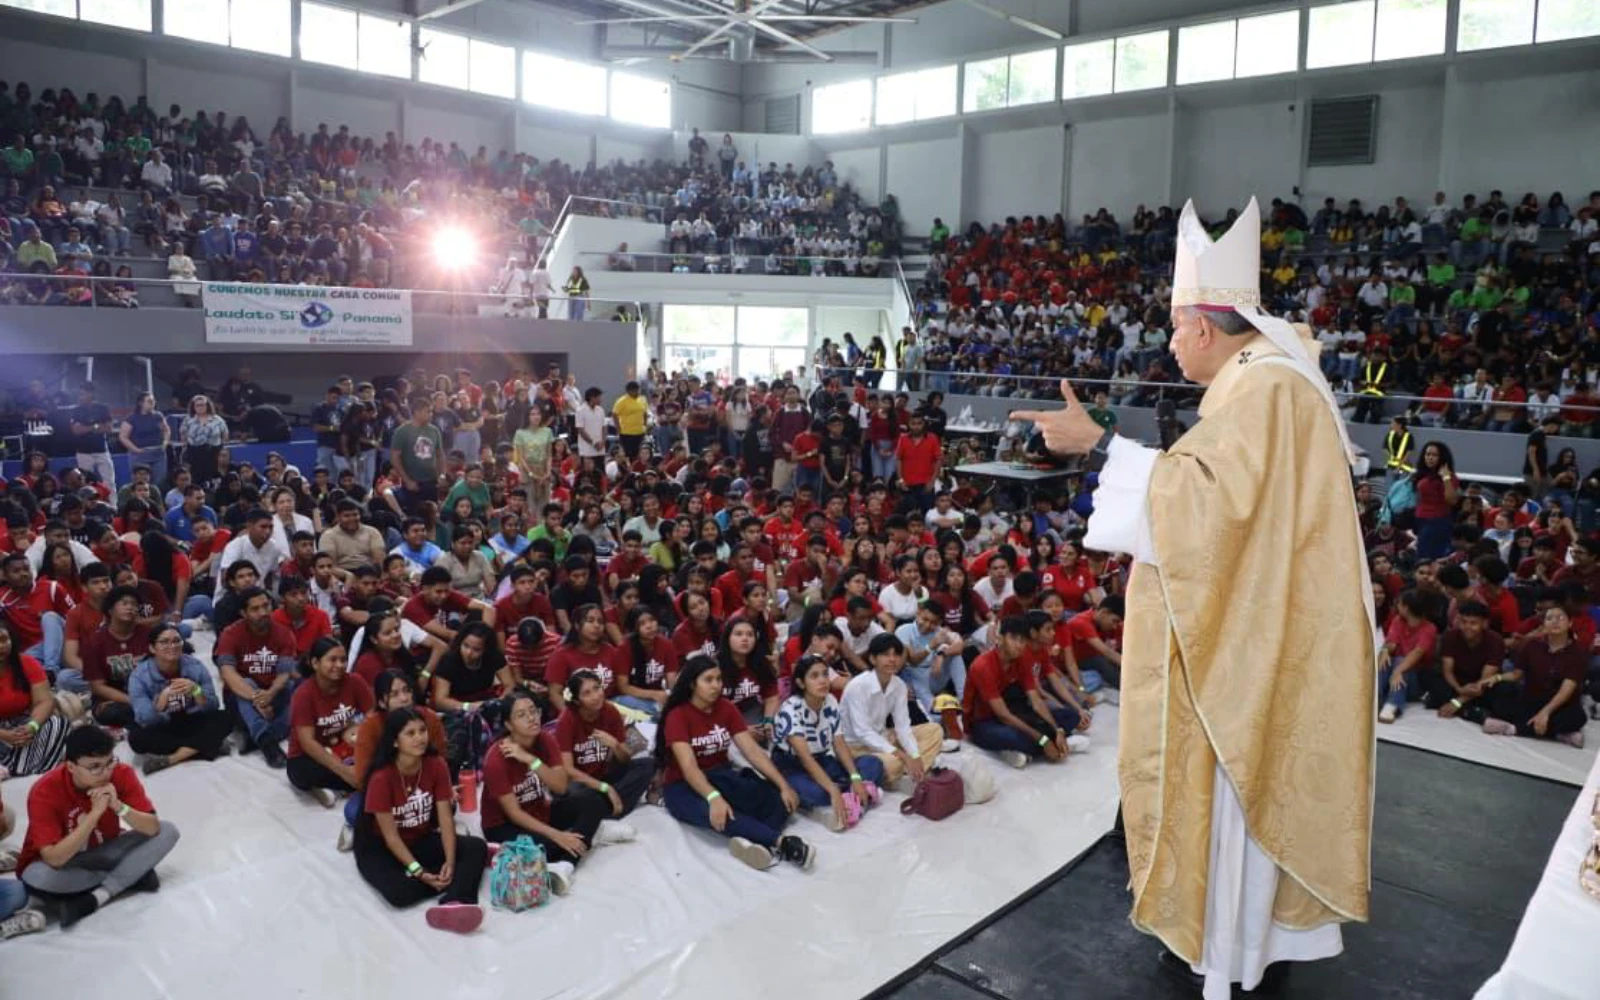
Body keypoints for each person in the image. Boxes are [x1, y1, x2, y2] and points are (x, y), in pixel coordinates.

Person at [1013, 196, 1374, 995]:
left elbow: (1207, 509)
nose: (1172, 345)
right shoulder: (1263, 385)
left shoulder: (1268, 392)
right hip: (1261, 621)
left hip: (1251, 646)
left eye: (1175, 329)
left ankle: (1231, 949)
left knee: (1237, 787)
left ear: (1203, 327)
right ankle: (1237, 939)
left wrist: (1100, 442)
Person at [656, 655, 816, 871]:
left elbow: (752, 751)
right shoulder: (678, 715)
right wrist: (714, 798)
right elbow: (689, 767)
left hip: (721, 775)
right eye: (708, 680)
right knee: (723, 813)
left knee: (780, 801)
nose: (716, 686)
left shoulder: (726, 708)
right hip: (683, 785)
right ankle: (782, 844)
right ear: (693, 684)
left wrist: (783, 785)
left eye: (719, 679)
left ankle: (750, 841)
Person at [15, 725, 179, 928]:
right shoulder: (45, 791)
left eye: (109, 762)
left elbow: (153, 828)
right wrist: (94, 814)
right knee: (37, 877)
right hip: (66, 865)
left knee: (168, 830)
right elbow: (54, 859)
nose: (104, 773)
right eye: (94, 767)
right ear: (71, 766)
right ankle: (131, 875)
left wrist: (119, 807)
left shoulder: (121, 773)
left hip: (105, 852)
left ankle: (99, 895)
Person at [355, 707, 487, 931]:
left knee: (476, 847)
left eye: (422, 730)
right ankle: (448, 878)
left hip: (419, 837)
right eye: (410, 733)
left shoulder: (436, 765)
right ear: (395, 741)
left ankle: (452, 904)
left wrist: (450, 861)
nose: (420, 738)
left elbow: (445, 819)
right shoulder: (381, 777)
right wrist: (420, 872)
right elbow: (391, 837)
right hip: (380, 847)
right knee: (398, 893)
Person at [481, 687, 623, 895]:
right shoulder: (496, 759)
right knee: (546, 849)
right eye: (521, 715)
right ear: (508, 725)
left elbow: (561, 787)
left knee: (593, 800)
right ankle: (588, 835)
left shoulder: (545, 739)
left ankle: (566, 865)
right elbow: (514, 814)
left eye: (533, 711)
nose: (531, 718)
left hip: (540, 810)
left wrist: (532, 760)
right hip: (504, 826)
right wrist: (557, 835)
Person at [773, 655, 885, 832]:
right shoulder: (790, 709)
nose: (823, 681)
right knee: (818, 794)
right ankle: (854, 794)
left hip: (823, 759)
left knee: (874, 763)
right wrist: (832, 790)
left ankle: (852, 794)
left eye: (825, 674)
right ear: (801, 683)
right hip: (793, 764)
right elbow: (805, 758)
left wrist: (855, 777)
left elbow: (839, 743)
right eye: (814, 676)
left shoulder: (831, 701)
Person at [963, 616, 1084, 769]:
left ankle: (1046, 744)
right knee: (1016, 737)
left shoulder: (1021, 659)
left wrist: (1057, 730)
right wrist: (1043, 740)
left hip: (1015, 713)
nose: (1019, 645)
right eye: (1014, 639)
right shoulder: (983, 666)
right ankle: (1050, 745)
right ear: (999, 639)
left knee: (1070, 716)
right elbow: (1003, 715)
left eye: (1022, 640)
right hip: (983, 723)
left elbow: (1036, 701)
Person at [837, 633, 946, 788]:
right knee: (894, 762)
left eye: (896, 654)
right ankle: (906, 770)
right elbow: (862, 732)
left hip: (883, 737)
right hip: (856, 747)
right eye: (886, 654)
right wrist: (902, 755)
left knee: (934, 730)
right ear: (873, 659)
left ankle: (912, 769)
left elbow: (903, 727)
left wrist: (914, 755)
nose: (892, 659)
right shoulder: (857, 686)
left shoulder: (899, 685)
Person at [127, 622, 231, 774]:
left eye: (177, 641)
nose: (172, 646)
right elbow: (145, 720)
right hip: (163, 725)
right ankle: (206, 745)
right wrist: (161, 702)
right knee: (137, 738)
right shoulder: (139, 676)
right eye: (164, 642)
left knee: (226, 717)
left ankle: (173, 758)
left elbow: (213, 705)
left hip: (191, 720)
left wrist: (196, 691)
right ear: (151, 648)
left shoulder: (195, 666)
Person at [1480, 605, 1588, 746]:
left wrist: (1545, 713)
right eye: (1549, 618)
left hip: (1559, 706)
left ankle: (1513, 728)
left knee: (1577, 718)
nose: (1555, 622)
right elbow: (1516, 675)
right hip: (1531, 700)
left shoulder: (1578, 654)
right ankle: (1559, 734)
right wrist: (1497, 678)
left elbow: (1565, 691)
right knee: (1500, 691)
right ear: (1543, 624)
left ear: (1570, 623)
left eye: (1560, 618)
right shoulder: (1532, 645)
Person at [214, 586, 298, 766]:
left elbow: (284, 672)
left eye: (266, 606)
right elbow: (228, 674)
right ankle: (267, 743)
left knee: (296, 688)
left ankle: (256, 739)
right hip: (242, 699)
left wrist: (271, 693)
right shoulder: (230, 634)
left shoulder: (284, 634)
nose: (263, 612)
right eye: (255, 609)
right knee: (246, 681)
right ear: (243, 613)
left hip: (272, 694)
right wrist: (256, 699)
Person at [554, 668, 653, 820]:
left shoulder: (610, 711)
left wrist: (615, 745)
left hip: (604, 775)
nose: (595, 696)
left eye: (597, 688)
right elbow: (568, 770)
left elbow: (625, 760)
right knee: (572, 793)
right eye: (586, 693)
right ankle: (608, 806)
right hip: (582, 782)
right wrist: (605, 789)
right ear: (576, 700)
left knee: (648, 765)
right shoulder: (567, 720)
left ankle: (602, 810)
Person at [288, 636, 374, 808]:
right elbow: (308, 743)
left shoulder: (355, 681)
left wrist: (359, 728)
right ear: (315, 663)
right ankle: (343, 785)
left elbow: (374, 715)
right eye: (332, 660)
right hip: (313, 756)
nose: (340, 665)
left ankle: (339, 787)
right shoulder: (303, 694)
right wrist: (345, 772)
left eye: (343, 660)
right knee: (299, 772)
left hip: (347, 746)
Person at [0, 619, 70, 777]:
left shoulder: (26, 662)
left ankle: (12, 766)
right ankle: (26, 763)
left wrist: (32, 726)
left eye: (4, 640)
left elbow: (45, 701)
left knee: (57, 723)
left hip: (21, 725)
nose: (1, 646)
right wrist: (4, 735)